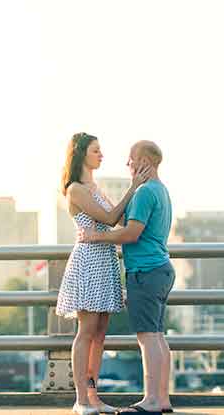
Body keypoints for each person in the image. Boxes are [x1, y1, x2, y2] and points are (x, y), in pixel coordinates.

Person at [55, 132, 152, 415]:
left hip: (106, 258)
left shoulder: (95, 187)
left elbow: (119, 219)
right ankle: (81, 399)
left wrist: (143, 193)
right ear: (81, 153)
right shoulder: (76, 189)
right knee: (86, 331)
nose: (101, 154)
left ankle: (94, 396)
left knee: (100, 333)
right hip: (88, 261)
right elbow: (110, 219)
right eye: (96, 150)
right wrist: (134, 186)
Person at [79, 141, 174, 414]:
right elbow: (130, 225)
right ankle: (162, 399)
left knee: (147, 337)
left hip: (145, 271)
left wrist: (95, 236)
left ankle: (151, 401)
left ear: (144, 162)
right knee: (157, 336)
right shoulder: (161, 190)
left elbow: (131, 234)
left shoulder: (144, 193)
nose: (127, 165)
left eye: (131, 160)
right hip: (161, 269)